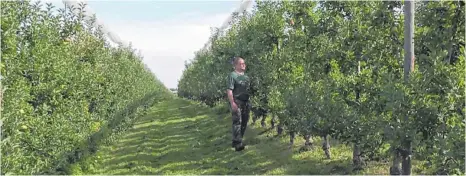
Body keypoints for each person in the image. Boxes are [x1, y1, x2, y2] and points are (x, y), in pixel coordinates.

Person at [227, 56, 251, 151]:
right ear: (236, 65)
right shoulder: (232, 75)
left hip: (246, 102)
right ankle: (238, 143)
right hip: (237, 101)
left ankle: (237, 140)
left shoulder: (246, 77)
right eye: (241, 63)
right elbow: (229, 90)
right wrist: (232, 103)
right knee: (237, 122)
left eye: (244, 63)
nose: (243, 65)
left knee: (244, 121)